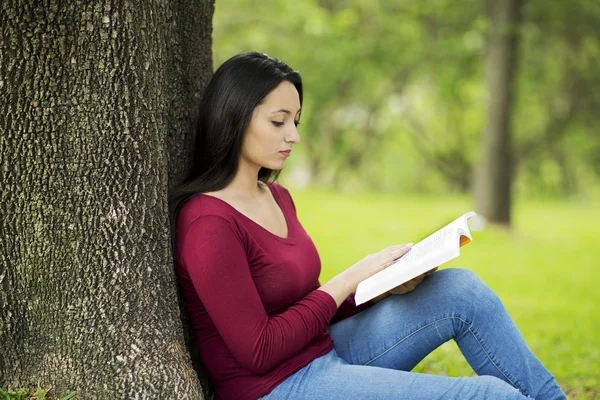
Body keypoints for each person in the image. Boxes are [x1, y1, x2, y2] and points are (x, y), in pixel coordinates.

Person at [169, 52, 566, 400]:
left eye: (296, 120)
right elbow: (258, 351)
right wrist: (349, 277)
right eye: (278, 122)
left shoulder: (277, 197)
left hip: (323, 349)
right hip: (275, 387)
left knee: (462, 291)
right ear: (234, 118)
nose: (294, 136)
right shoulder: (209, 222)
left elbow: (306, 306)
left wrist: (378, 288)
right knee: (490, 396)